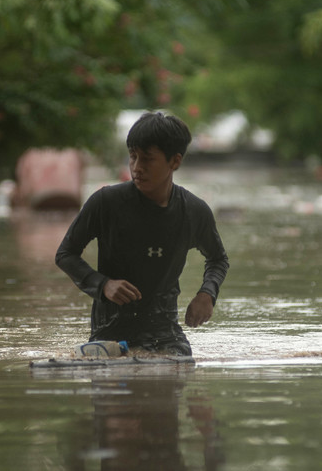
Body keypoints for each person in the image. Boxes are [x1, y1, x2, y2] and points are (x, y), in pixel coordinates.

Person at [55, 111, 230, 356]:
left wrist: (207, 294)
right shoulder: (106, 203)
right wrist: (103, 284)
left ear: (175, 161)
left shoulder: (194, 211)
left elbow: (218, 259)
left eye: (147, 159)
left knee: (176, 382)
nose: (137, 167)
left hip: (166, 333)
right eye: (133, 156)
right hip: (109, 332)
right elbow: (65, 254)